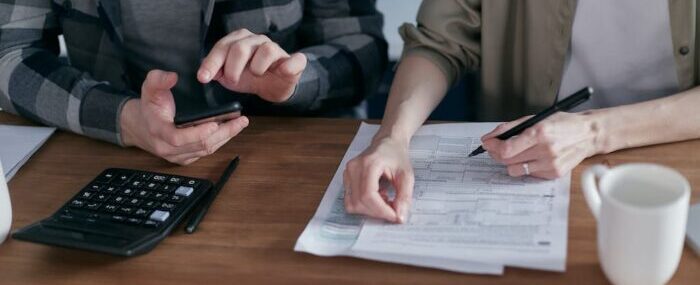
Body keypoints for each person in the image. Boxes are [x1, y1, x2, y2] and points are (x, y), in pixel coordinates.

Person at [343, 0, 700, 223]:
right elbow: (439, 40)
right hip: (529, 167)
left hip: (675, 158)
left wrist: (594, 132)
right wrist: (393, 137)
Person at [0, 0, 387, 165]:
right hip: (116, 157)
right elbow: (10, 56)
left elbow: (362, 48)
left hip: (289, 153)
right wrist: (123, 118)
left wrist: (294, 80)